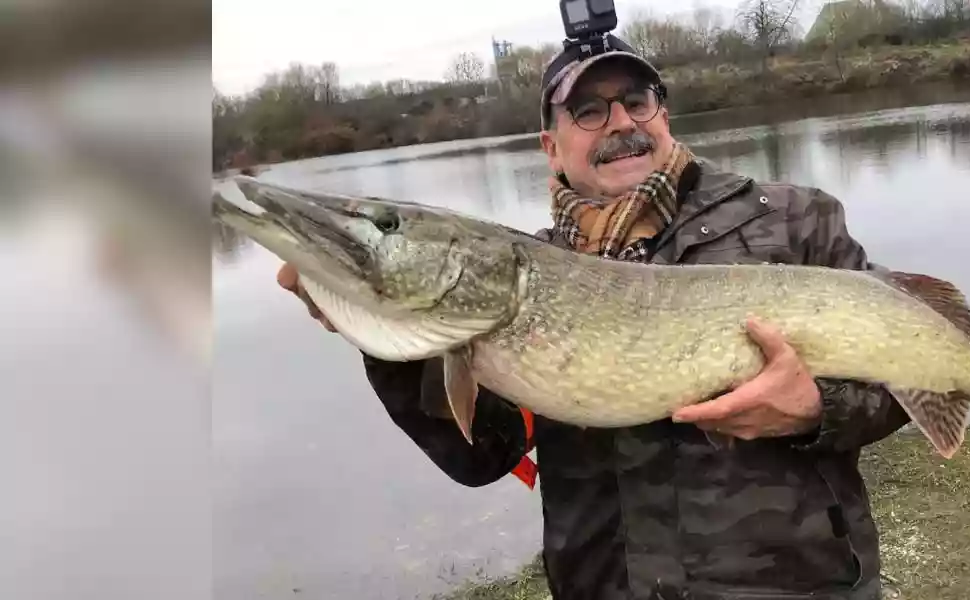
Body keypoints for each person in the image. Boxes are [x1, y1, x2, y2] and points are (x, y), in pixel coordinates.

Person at [277, 35, 910, 600]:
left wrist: (816, 408)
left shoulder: (795, 222)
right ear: (551, 148)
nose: (621, 123)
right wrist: (383, 332)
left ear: (664, 115)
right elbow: (480, 456)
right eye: (589, 111)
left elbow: (912, 376)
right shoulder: (513, 274)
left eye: (639, 101)